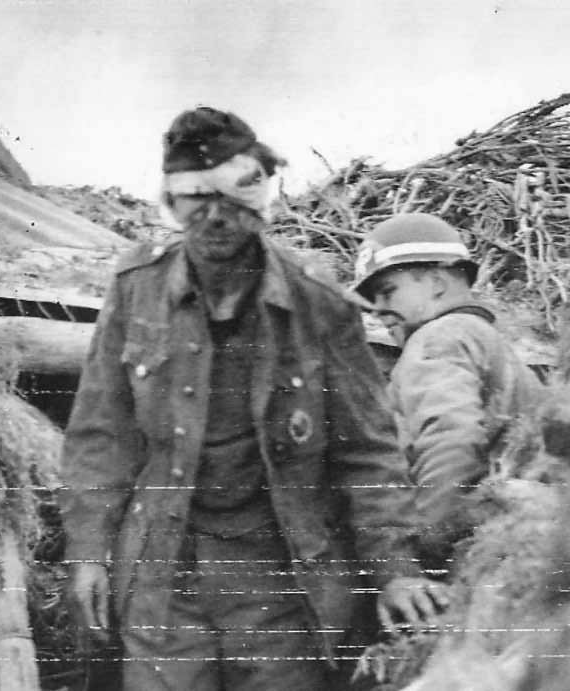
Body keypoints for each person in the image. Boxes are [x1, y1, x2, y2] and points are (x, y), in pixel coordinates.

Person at [59, 107, 446, 691]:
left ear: (261, 196)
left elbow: (367, 450)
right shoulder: (135, 289)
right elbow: (100, 434)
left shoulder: (320, 304)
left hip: (281, 582)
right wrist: (88, 552)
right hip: (164, 574)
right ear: (172, 202)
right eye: (194, 198)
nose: (215, 217)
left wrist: (395, 568)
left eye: (233, 195)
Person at [352, 213, 543, 567]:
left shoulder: (438, 338)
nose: (378, 310)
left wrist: (426, 551)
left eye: (388, 291)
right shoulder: (488, 342)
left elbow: (449, 438)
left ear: (437, 282)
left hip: (476, 551)